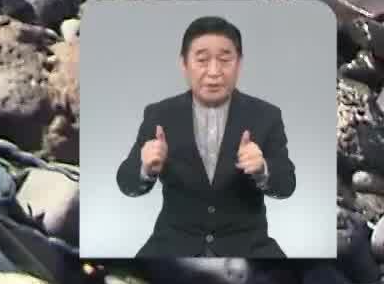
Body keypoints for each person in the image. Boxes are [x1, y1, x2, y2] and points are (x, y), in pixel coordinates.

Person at [116, 15, 297, 258]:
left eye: (225, 60)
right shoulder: (160, 114)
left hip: (248, 246)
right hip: (172, 244)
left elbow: (286, 185)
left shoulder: (266, 116)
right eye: (202, 60)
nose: (214, 72)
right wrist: (144, 168)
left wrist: (262, 169)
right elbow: (127, 183)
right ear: (184, 64)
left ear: (239, 63)